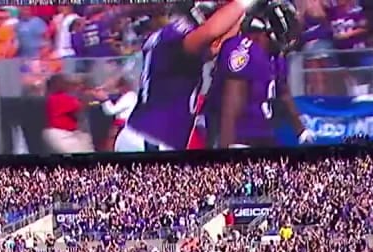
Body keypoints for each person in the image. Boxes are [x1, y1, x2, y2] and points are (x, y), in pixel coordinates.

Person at [115, 0, 284, 152]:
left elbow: (214, 47)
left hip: (145, 134)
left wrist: (240, 17)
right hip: (151, 140)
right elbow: (210, 32)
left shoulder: (170, 40)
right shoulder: (175, 37)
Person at [207, 5, 312, 149]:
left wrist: (302, 131)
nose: (288, 39)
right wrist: (227, 147)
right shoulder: (242, 50)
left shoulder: (275, 56)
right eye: (286, 32)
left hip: (263, 132)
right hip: (238, 134)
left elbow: (284, 94)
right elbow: (230, 107)